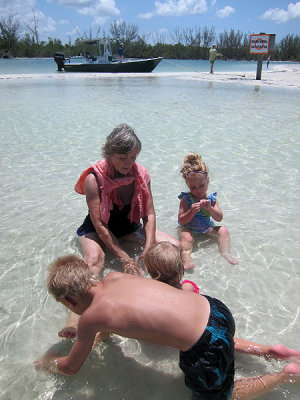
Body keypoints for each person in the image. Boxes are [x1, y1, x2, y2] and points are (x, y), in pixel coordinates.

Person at [35, 254, 300, 400]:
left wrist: (47, 361)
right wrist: (98, 338)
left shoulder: (91, 317)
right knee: (210, 334)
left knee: (219, 397)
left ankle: (284, 375)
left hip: (204, 347)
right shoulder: (115, 277)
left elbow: (70, 367)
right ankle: (269, 350)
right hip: (214, 309)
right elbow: (123, 318)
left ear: (69, 301)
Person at [60, 123, 179, 339]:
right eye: (123, 157)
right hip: (96, 230)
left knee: (173, 247)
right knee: (94, 260)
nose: (129, 163)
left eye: (133, 157)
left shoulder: (141, 175)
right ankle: (74, 317)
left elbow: (149, 214)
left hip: (128, 227)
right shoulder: (93, 179)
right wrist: (124, 257)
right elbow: (100, 225)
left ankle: (166, 299)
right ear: (109, 154)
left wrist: (149, 246)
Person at [144, 241, 300, 361]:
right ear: (181, 269)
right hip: (212, 317)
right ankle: (265, 350)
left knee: (225, 343)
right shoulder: (188, 287)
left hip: (193, 332)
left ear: (151, 274)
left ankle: (265, 351)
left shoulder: (154, 296)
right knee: (228, 340)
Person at [178, 152, 238, 268]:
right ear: (188, 185)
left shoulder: (211, 199)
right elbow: (181, 221)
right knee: (186, 238)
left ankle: (225, 252)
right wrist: (191, 211)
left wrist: (210, 208)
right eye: (193, 187)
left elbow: (219, 218)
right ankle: (186, 258)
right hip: (188, 228)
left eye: (202, 185)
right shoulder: (186, 199)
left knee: (224, 230)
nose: (198, 190)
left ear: (208, 181)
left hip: (206, 227)